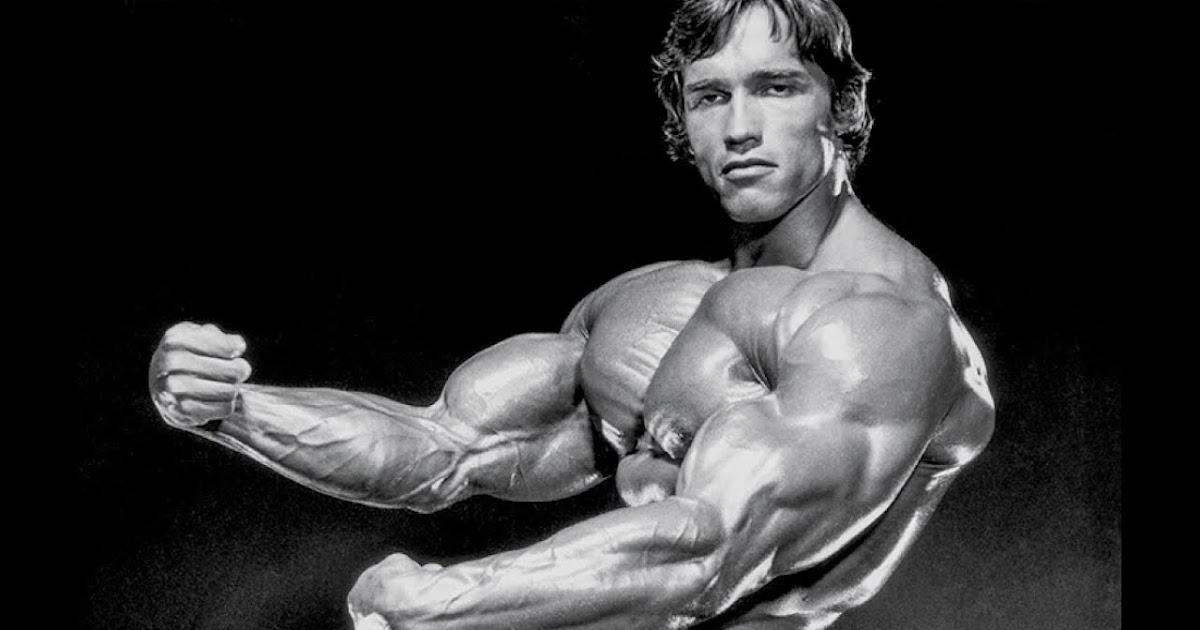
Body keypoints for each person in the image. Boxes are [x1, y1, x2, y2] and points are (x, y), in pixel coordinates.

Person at [148, 1, 994, 628]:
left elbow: (708, 556)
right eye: (709, 97)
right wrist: (227, 408)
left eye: (776, 88)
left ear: (840, 109)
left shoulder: (887, 326)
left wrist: (443, 604)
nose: (740, 128)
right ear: (682, 121)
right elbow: (446, 448)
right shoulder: (654, 302)